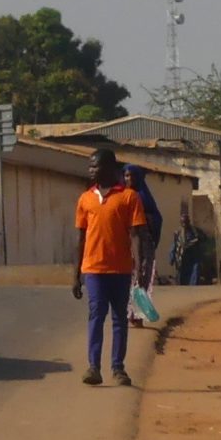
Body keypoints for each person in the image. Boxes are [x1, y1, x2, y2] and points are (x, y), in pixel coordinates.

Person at [70, 147, 144, 387]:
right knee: (96, 315)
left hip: (121, 270)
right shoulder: (85, 199)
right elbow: (80, 238)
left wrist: (139, 267)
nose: (91, 170)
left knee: (119, 319)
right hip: (93, 270)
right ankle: (93, 367)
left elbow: (136, 234)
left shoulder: (129, 197)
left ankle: (118, 368)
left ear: (110, 168)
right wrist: (76, 274)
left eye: (95, 166)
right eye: (90, 166)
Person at [126, 165, 162, 318]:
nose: (129, 179)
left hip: (144, 242)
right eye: (126, 175)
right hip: (126, 243)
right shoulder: (122, 196)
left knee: (143, 277)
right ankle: (129, 313)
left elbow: (157, 219)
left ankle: (140, 313)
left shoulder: (144, 197)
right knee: (127, 278)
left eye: (132, 176)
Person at [170, 211, 210, 286]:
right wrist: (172, 258)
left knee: (195, 273)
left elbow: (204, 238)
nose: (184, 224)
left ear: (189, 222)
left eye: (186, 222)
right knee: (182, 276)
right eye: (183, 222)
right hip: (183, 258)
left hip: (194, 257)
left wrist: (198, 240)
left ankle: (193, 289)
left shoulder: (196, 231)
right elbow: (174, 245)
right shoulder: (177, 233)